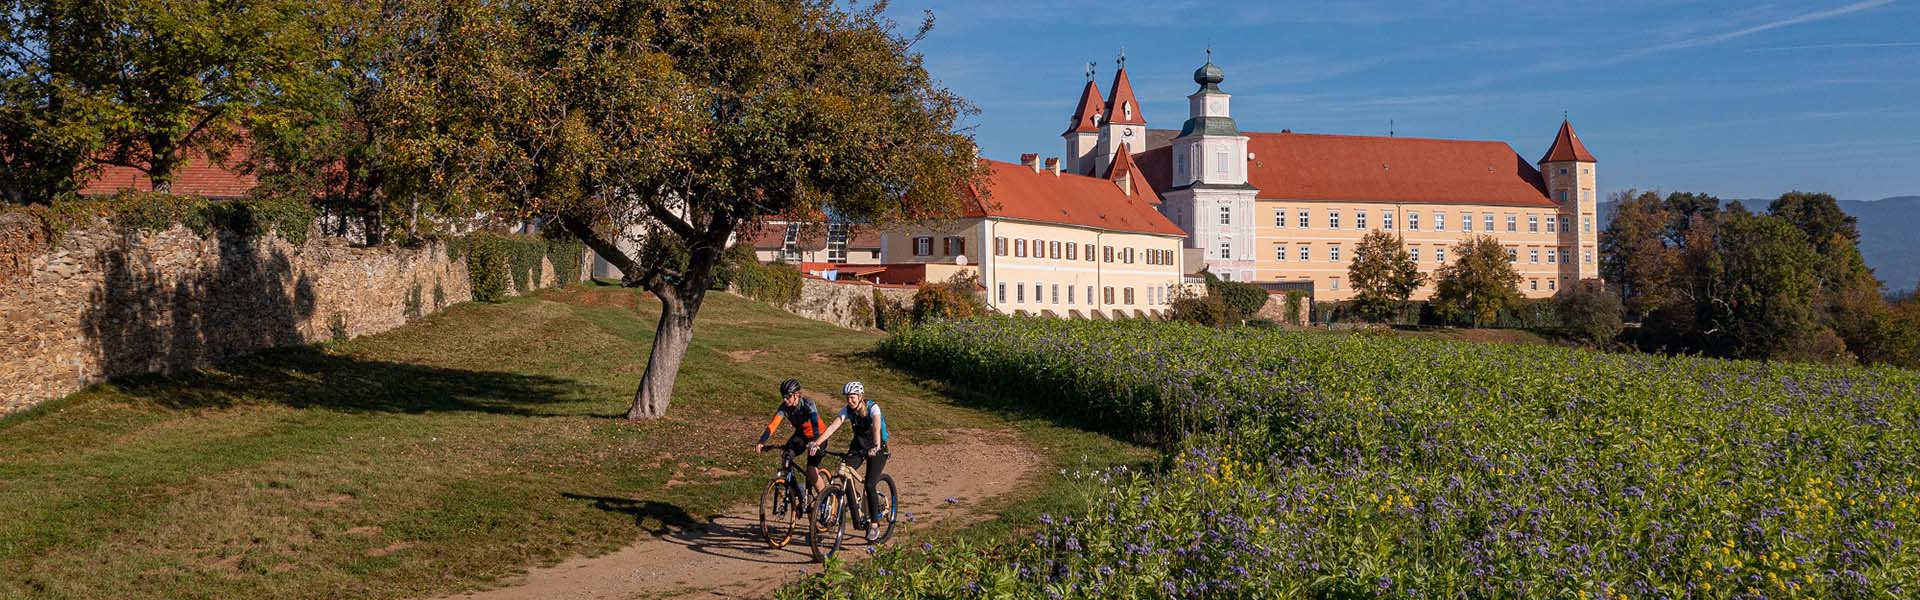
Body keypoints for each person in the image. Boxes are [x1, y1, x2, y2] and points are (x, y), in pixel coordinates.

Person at [809, 381, 890, 541]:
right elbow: (833, 427)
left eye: (852, 397)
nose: (849, 401)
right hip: (858, 447)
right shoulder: (847, 410)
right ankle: (857, 505)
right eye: (847, 398)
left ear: (860, 397)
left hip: (877, 447)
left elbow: (876, 427)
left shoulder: (873, 408)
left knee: (870, 484)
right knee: (843, 471)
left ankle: (874, 524)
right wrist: (816, 443)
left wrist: (876, 446)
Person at [756, 379, 825, 499]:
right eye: (783, 396)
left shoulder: (808, 404)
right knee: (786, 456)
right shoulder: (784, 408)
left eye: (788, 396)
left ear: (797, 395)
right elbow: (773, 424)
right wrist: (762, 441)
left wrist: (815, 442)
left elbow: (814, 422)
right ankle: (795, 489)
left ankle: (824, 500)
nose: (784, 399)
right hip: (802, 435)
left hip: (819, 436)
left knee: (811, 470)